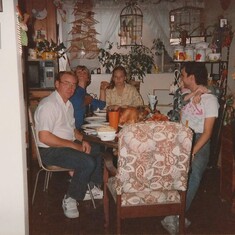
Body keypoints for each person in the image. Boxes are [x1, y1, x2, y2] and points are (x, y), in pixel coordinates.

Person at [34, 71, 103, 219]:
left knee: (97, 148)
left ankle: (90, 186)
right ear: (57, 84)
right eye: (67, 83)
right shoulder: (49, 105)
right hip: (49, 150)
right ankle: (70, 198)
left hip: (64, 145)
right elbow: (44, 137)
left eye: (73, 85)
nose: (71, 88)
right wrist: (73, 146)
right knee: (87, 162)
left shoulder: (68, 104)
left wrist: (82, 139)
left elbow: (72, 130)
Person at [161, 62, 219, 234]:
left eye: (183, 75)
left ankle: (176, 214)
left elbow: (208, 133)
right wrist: (194, 93)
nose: (181, 78)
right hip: (181, 136)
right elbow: (176, 110)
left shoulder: (210, 99)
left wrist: (192, 152)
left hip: (199, 140)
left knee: (193, 175)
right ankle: (172, 211)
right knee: (171, 171)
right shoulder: (183, 95)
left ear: (191, 78)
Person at [70, 65, 108, 129]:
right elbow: (74, 105)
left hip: (84, 127)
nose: (82, 74)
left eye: (84, 73)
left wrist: (102, 89)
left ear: (88, 78)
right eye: (79, 72)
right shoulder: (71, 91)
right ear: (75, 77)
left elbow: (101, 105)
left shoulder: (86, 95)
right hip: (74, 129)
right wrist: (85, 102)